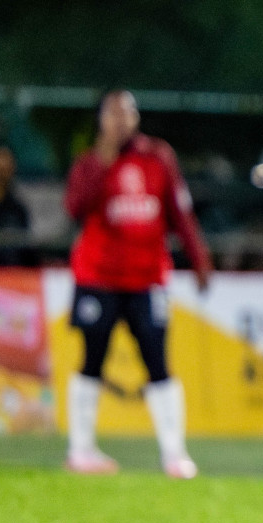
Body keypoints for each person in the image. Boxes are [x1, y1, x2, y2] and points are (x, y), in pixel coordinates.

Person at [63, 90, 212, 478]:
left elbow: (180, 213)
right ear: (101, 120)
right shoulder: (89, 162)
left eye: (127, 113)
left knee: (157, 361)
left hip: (147, 279)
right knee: (92, 358)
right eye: (113, 114)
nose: (121, 120)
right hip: (98, 276)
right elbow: (75, 208)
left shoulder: (158, 157)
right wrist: (102, 162)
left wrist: (198, 259)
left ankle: (174, 454)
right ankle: (81, 450)